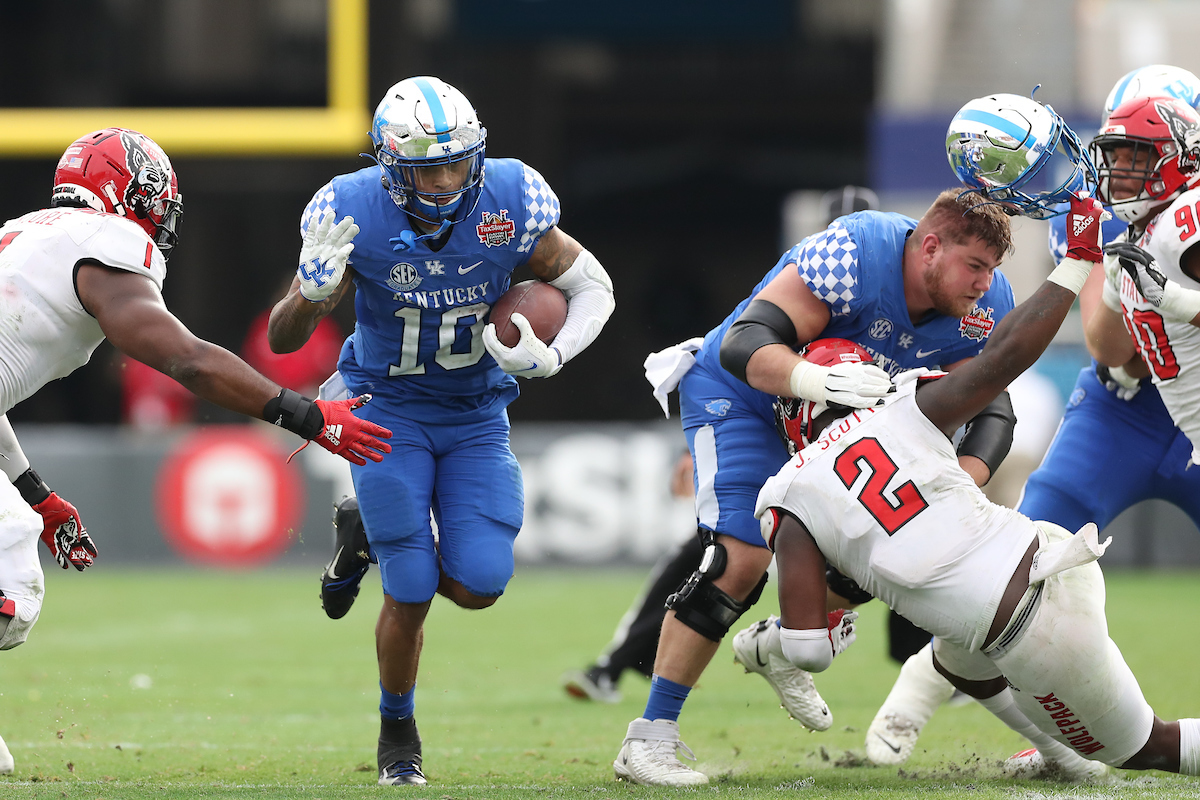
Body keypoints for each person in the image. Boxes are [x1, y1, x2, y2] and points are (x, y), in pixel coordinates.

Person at [756, 190, 1200, 780]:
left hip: (1025, 625)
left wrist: (762, 647)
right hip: (1048, 556)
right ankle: (1062, 759)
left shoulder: (788, 493)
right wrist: (1076, 262)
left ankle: (1080, 751)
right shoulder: (907, 409)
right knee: (963, 658)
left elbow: (810, 647)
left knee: (1149, 750)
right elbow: (1007, 358)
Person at [613, 159, 1031, 783]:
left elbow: (995, 405)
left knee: (896, 543)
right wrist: (813, 377)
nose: (984, 283)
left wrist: (966, 476)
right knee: (741, 558)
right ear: (931, 246)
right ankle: (649, 738)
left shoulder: (985, 303)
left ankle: (783, 642)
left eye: (992, 270)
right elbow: (743, 344)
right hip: (746, 400)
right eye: (975, 266)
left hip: (837, 421)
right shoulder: (856, 249)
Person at [0, 127, 391, 774]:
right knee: (11, 584)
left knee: (12, 561)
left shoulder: (34, 235)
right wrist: (309, 416)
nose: (161, 218)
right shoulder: (103, 242)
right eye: (156, 201)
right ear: (128, 193)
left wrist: (37, 493)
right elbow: (186, 361)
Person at [266, 76, 615, 786]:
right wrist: (307, 293)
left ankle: (361, 531)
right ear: (391, 166)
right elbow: (280, 338)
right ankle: (399, 730)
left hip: (476, 412)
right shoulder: (352, 209)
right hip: (384, 407)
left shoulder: (511, 198)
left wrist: (551, 357)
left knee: (482, 583)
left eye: (458, 162)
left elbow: (593, 287)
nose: (447, 179)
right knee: (413, 585)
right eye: (428, 167)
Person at [866, 66, 1200, 772]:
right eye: (1118, 155)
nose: (1121, 172)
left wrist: (1175, 296)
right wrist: (1113, 264)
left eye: (1140, 155)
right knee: (1022, 566)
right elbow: (1115, 350)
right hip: (1125, 408)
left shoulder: (1188, 219)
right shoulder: (1105, 211)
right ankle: (951, 692)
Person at [562, 186, 892, 706]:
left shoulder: (893, 299)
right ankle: (625, 673)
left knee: (885, 545)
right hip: (770, 423)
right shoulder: (806, 279)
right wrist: (697, 447)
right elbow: (735, 356)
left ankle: (795, 643)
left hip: (836, 439)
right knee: (726, 555)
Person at [562, 451, 702, 703]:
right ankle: (624, 668)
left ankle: (615, 670)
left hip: (752, 507)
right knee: (687, 588)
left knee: (673, 584)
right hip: (767, 503)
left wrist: (694, 452)